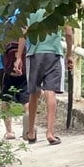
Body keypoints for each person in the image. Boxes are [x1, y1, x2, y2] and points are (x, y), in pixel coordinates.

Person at [13, 9, 73, 145]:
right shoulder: (61, 6)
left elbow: (23, 33)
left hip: (33, 54)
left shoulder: (30, 6)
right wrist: (69, 54)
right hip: (54, 53)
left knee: (33, 92)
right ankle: (50, 133)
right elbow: (68, 33)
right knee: (50, 91)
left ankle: (31, 132)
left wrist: (18, 57)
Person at [0, 10, 30, 140]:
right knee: (26, 98)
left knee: (5, 98)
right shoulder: (22, 14)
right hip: (23, 61)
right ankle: (28, 129)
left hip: (3, 63)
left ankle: (9, 131)